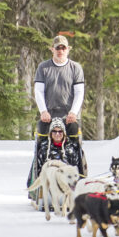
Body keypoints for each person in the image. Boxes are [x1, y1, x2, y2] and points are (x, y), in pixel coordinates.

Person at [27, 35, 87, 192]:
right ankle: (39, 181)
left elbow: (79, 93)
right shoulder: (43, 68)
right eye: (58, 48)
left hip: (69, 116)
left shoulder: (75, 68)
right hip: (49, 115)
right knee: (41, 143)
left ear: (68, 50)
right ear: (52, 49)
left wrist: (73, 112)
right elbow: (38, 91)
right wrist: (43, 111)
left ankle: (80, 180)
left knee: (75, 144)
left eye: (63, 48)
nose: (60, 50)